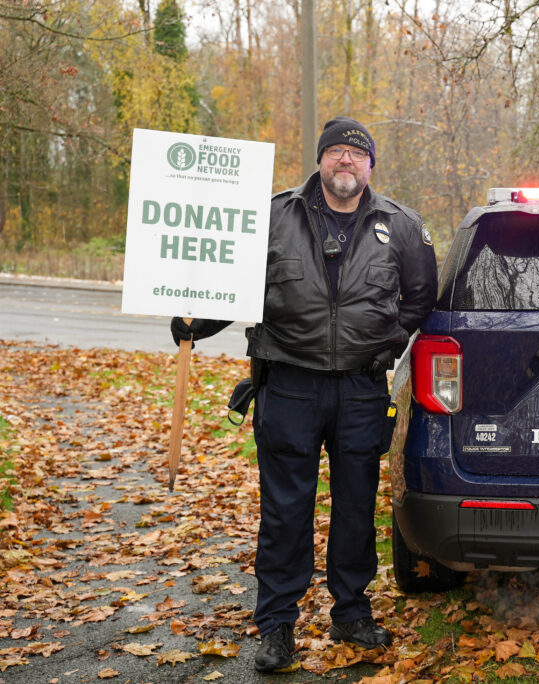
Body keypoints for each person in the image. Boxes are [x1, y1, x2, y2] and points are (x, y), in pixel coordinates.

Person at [169, 116, 438, 673]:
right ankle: (276, 625)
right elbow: (232, 283)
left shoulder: (402, 225)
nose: (346, 161)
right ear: (320, 160)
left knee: (357, 506)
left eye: (356, 154)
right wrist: (199, 323)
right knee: (285, 510)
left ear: (370, 167)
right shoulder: (272, 215)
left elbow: (420, 297)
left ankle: (352, 611)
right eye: (336, 151)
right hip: (288, 383)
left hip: (362, 389)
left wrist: (386, 340)